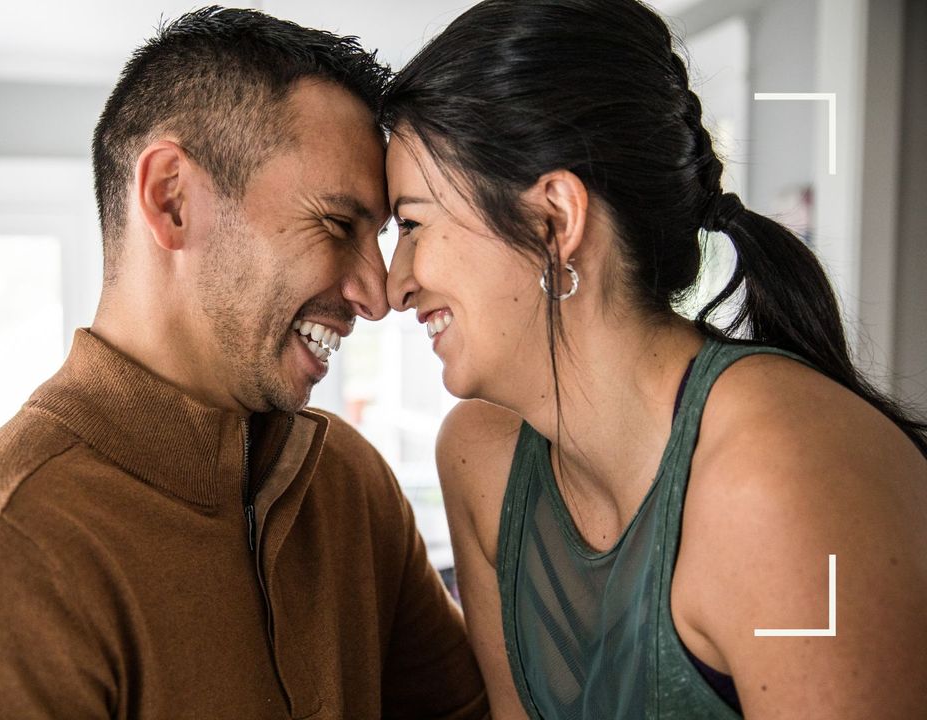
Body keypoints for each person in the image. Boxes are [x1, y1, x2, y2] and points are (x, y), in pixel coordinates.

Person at [0, 6, 488, 719]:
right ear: (172, 199)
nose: (377, 293)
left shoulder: (349, 486)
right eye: (336, 224)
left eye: (384, 235)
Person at [380, 0, 927, 718]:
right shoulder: (481, 462)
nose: (395, 284)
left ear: (555, 221)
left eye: (415, 225)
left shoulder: (777, 480)